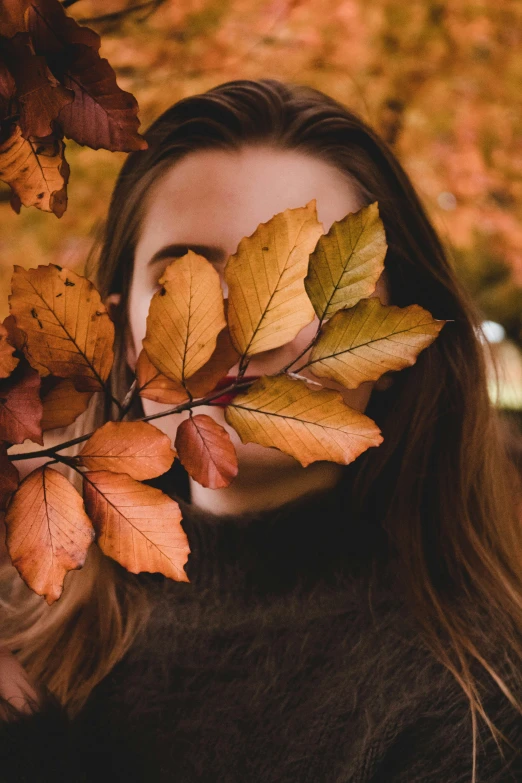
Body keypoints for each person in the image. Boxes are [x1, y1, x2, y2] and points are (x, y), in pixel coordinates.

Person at [1, 78, 521, 782]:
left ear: (398, 344)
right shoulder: (25, 613)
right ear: (122, 336)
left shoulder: (478, 702)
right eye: (185, 275)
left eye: (308, 283)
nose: (232, 332)